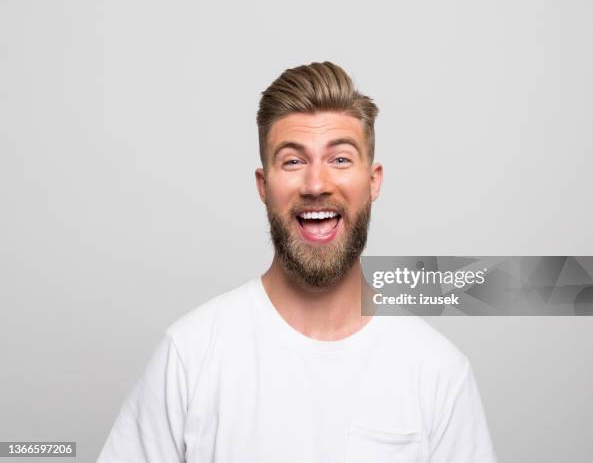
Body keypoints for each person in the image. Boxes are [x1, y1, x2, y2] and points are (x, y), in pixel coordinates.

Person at [97, 61, 498, 463]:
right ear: (263, 186)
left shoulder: (438, 372)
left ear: (373, 181)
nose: (316, 185)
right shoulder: (189, 356)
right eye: (292, 161)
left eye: (340, 159)